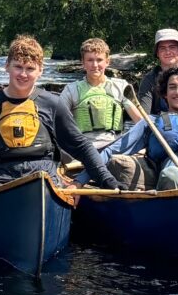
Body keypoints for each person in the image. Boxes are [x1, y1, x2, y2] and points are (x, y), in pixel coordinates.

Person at [0, 35, 119, 191]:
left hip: (46, 182)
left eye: (30, 68)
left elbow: (81, 147)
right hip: (1, 182)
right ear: (7, 66)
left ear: (40, 71)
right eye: (18, 67)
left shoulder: (53, 104)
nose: (23, 74)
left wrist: (107, 179)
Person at [59, 36, 144, 186]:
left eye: (99, 60)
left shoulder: (121, 86)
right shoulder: (71, 90)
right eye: (90, 60)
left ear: (107, 62)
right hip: (85, 149)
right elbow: (59, 121)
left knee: (147, 126)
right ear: (83, 63)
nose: (95, 65)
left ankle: (82, 180)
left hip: (115, 145)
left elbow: (140, 122)